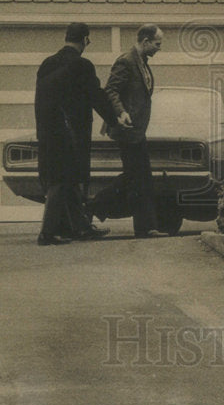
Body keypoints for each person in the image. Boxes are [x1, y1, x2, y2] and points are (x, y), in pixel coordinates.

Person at [34, 22, 129, 245]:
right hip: (71, 133)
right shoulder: (82, 65)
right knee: (62, 180)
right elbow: (96, 95)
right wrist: (115, 118)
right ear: (85, 40)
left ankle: (80, 228)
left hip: (49, 131)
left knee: (69, 181)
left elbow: (39, 101)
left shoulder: (47, 64)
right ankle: (47, 234)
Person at [102, 24, 163, 238]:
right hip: (126, 130)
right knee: (136, 177)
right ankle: (94, 208)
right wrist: (121, 112)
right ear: (145, 41)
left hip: (137, 131)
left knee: (139, 177)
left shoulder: (142, 62)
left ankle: (145, 227)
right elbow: (111, 90)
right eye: (157, 44)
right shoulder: (126, 61)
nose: (159, 48)